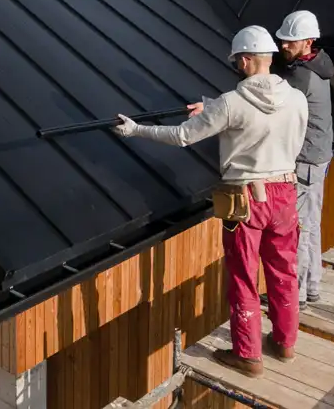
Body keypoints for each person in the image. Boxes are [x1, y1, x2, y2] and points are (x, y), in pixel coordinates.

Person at [112, 25, 308, 378]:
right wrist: (214, 107)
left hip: (247, 198)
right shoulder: (297, 97)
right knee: (284, 271)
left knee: (245, 276)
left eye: (237, 61)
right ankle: (285, 343)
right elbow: (265, 121)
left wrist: (135, 130)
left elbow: (184, 135)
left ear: (246, 60)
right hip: (286, 194)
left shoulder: (233, 104)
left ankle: (248, 356)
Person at [272, 10, 334, 310]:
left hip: (307, 161)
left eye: (290, 42)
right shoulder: (317, 65)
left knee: (299, 228)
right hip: (317, 157)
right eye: (282, 40)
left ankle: (295, 298)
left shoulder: (302, 76)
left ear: (308, 42)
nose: (283, 46)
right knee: (311, 223)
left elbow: (271, 101)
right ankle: (311, 288)